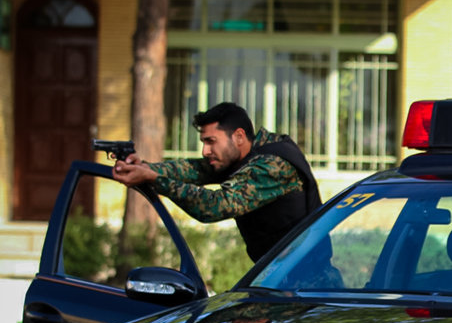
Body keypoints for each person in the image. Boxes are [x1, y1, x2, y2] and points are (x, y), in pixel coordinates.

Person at [113, 102, 322, 262]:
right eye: (204, 142)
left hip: (304, 288)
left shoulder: (271, 165)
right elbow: (196, 170)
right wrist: (145, 168)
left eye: (211, 142)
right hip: (278, 280)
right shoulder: (244, 153)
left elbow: (214, 206)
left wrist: (154, 179)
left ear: (239, 136)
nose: (205, 151)